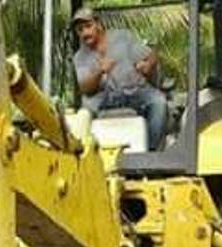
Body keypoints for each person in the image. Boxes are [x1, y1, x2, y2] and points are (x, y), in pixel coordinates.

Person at [72, 7, 169, 150]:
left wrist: (148, 65)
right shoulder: (79, 57)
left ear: (98, 24)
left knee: (158, 101)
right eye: (80, 30)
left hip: (135, 91)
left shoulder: (122, 38)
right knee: (83, 114)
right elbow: (85, 88)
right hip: (103, 99)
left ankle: (151, 154)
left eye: (88, 26)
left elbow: (152, 55)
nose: (85, 33)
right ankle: (84, 153)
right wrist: (100, 71)